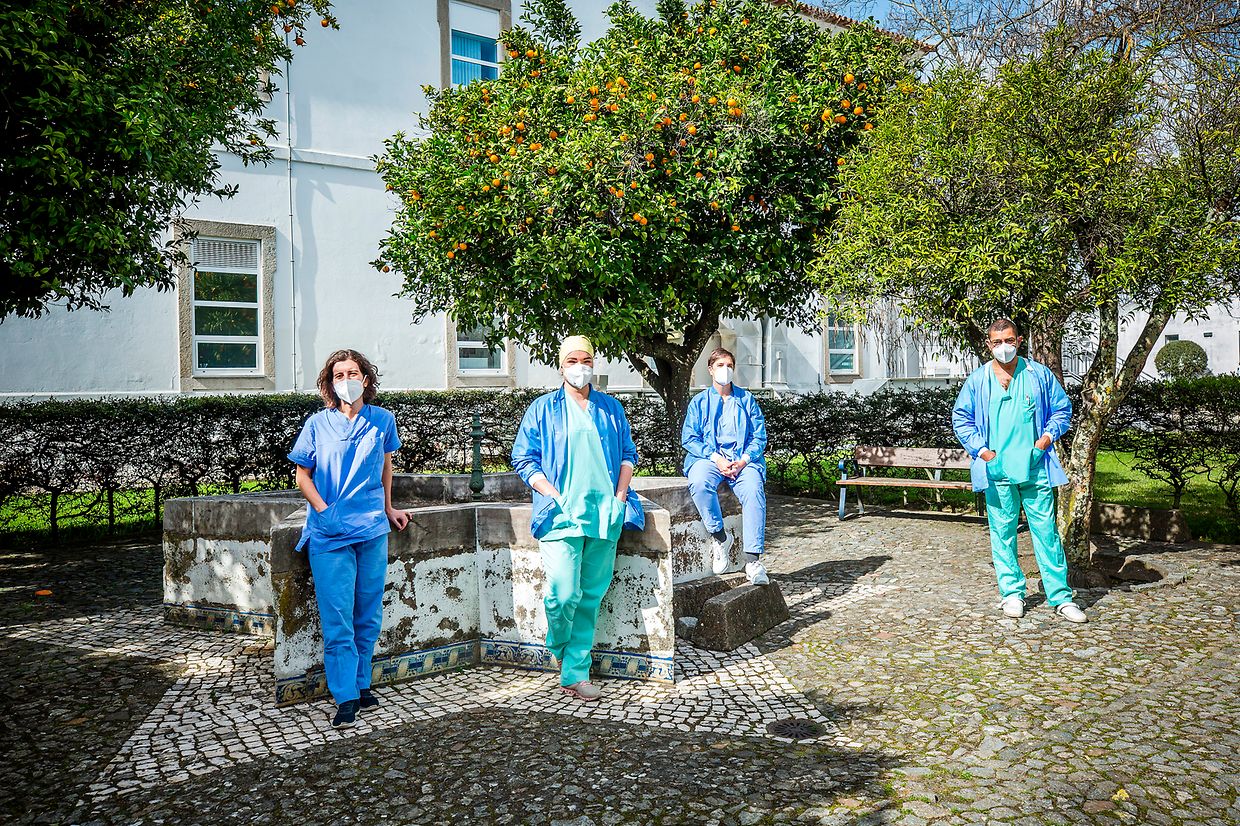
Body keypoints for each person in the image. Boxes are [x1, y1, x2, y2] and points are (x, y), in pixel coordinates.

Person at [510, 335, 645, 702]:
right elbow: (523, 458)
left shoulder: (610, 408)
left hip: (604, 514)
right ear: (561, 365)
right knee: (562, 594)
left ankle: (575, 672)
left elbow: (628, 454)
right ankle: (559, 646)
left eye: (586, 359)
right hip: (560, 516)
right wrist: (550, 492)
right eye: (572, 360)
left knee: (590, 597)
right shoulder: (542, 409)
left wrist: (619, 496)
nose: (580, 366)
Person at [288, 349, 410, 728]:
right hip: (330, 535)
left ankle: (361, 683)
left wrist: (389, 509)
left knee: (368, 614)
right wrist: (325, 512)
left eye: (352, 372)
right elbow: (302, 476)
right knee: (338, 616)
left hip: (372, 529)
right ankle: (344, 696)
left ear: (366, 379)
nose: (346, 380)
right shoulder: (317, 425)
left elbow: (385, 467)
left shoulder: (382, 421)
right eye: (338, 375)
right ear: (330, 382)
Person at [952, 318, 1087, 623]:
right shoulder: (978, 380)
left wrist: (1045, 439)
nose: (1003, 347)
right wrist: (983, 452)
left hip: (1034, 466)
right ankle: (1012, 594)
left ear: (1019, 340)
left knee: (1047, 533)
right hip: (997, 470)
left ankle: (1061, 597)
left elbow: (1062, 410)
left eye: (1009, 340)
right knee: (1002, 534)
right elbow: (962, 419)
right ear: (988, 345)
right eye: (997, 342)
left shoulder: (1038, 375)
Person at [682, 347, 770, 586]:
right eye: (720, 365)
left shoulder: (746, 400)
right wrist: (716, 459)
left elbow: (759, 437)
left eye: (729, 365)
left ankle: (753, 561)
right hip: (710, 460)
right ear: (710, 369)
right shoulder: (699, 403)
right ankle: (720, 537)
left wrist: (743, 461)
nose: (725, 370)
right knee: (699, 482)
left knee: (753, 490)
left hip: (743, 461)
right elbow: (689, 438)